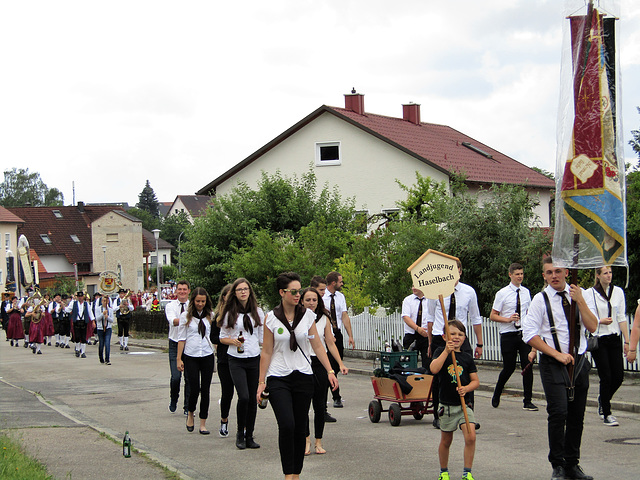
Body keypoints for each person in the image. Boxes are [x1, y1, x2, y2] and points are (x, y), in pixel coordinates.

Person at [257, 272, 339, 480]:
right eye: (293, 291)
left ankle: (296, 475)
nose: (297, 295)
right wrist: (261, 382)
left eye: (299, 291)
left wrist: (330, 370)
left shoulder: (308, 316)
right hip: (278, 377)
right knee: (287, 424)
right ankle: (287, 474)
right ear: (282, 292)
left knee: (300, 426)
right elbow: (266, 351)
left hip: (303, 375)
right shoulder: (271, 318)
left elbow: (317, 345)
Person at [522, 256, 597, 480]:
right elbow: (529, 334)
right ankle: (558, 465)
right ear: (544, 276)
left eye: (557, 271)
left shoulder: (579, 294)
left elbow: (593, 326)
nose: (553, 276)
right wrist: (556, 354)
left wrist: (580, 301)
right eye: (548, 272)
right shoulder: (540, 299)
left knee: (577, 416)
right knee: (559, 413)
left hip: (580, 362)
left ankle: (572, 464)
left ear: (565, 272)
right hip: (553, 363)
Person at [426, 260, 483, 429]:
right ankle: (439, 414)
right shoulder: (435, 292)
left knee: (466, 376)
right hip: (440, 337)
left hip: (460, 338)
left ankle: (468, 415)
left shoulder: (468, 292)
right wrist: (430, 343)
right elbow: (430, 318)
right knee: (440, 378)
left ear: (460, 271)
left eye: (455, 269)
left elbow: (476, 317)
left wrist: (479, 343)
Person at [300, 287, 348, 456]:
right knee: (303, 406)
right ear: (301, 302)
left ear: (318, 302)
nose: (311, 303)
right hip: (302, 364)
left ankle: (318, 442)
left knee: (319, 405)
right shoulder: (297, 318)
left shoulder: (324, 319)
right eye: (308, 300)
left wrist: (339, 365)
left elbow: (330, 343)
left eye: (314, 300)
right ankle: (305, 440)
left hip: (320, 363)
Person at [430, 319, 479, 480]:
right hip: (447, 405)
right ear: (444, 336)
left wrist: (466, 388)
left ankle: (467, 472)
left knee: (471, 436)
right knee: (446, 439)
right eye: (452, 334)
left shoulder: (467, 358)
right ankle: (444, 471)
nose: (456, 337)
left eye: (460, 334)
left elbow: (475, 381)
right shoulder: (440, 352)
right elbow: (433, 369)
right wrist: (446, 351)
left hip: (464, 404)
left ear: (465, 338)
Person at [220, 277, 264, 450]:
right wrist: (233, 341)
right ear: (235, 293)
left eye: (246, 289)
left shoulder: (258, 312)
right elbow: (222, 336)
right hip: (236, 359)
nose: (243, 292)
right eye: (239, 290)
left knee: (253, 399)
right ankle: (239, 433)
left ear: (250, 292)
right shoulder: (229, 312)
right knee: (243, 396)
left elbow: (261, 336)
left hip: (253, 357)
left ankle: (249, 435)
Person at [489, 262, 538, 411]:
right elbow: (493, 315)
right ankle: (497, 392)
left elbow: (529, 312)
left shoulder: (526, 292)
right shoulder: (502, 293)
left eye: (522, 274)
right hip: (508, 334)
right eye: (517, 274)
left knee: (527, 365)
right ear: (510, 275)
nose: (520, 277)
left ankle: (527, 400)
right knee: (509, 367)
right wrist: (508, 319)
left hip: (523, 333)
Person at [588, 266, 629, 427]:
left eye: (610, 272)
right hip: (599, 339)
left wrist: (627, 341)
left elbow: (621, 317)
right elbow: (588, 316)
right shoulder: (590, 293)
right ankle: (607, 412)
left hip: (614, 338)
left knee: (618, 376)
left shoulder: (618, 292)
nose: (609, 275)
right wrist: (600, 321)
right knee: (606, 376)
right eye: (605, 273)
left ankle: (602, 399)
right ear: (598, 276)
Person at [177, 287, 215, 435]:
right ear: (193, 300)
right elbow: (181, 338)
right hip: (191, 355)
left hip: (206, 355)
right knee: (194, 388)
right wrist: (179, 358)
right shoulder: (186, 316)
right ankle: (190, 413)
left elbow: (213, 336)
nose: (200, 304)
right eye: (198, 301)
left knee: (205, 389)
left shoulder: (210, 316)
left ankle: (203, 422)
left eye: (203, 301)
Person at [321, 271, 354, 409]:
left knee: (337, 365)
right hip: (324, 334)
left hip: (337, 333)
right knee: (330, 366)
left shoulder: (340, 297)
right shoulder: (321, 297)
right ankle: (336, 397)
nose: (342, 284)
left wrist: (350, 335)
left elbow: (344, 316)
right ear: (333, 283)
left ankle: (331, 384)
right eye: (340, 281)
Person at [210, 284, 235, 438]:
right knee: (227, 392)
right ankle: (224, 420)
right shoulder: (218, 315)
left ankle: (245, 426)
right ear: (224, 296)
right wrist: (227, 340)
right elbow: (213, 337)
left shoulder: (241, 314)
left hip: (241, 357)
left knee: (245, 394)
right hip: (225, 358)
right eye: (228, 294)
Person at [165, 280, 191, 415]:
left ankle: (187, 407)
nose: (182, 292)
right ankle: (173, 398)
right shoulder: (170, 306)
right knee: (176, 377)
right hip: (175, 343)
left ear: (188, 291)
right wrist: (190, 320)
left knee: (189, 377)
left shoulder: (192, 306)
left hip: (189, 344)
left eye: (184, 289)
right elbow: (173, 321)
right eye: (180, 289)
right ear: (176, 291)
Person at [401, 286, 429, 369]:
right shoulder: (408, 300)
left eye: (415, 286)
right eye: (412, 286)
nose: (413, 288)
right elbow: (406, 317)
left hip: (426, 335)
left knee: (427, 362)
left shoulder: (431, 300)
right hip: (411, 335)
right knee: (409, 363)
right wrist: (417, 328)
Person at [65, 291, 96, 358]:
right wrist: (62, 306)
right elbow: (67, 310)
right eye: (79, 297)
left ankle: (83, 352)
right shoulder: (73, 303)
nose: (80, 298)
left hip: (84, 322)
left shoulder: (86, 304)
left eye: (81, 296)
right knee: (77, 337)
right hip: (76, 322)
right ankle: (78, 350)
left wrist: (93, 321)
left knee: (83, 337)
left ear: (83, 297)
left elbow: (90, 312)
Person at [95, 295, 114, 365]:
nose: (104, 302)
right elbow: (97, 319)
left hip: (108, 328)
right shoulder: (98, 309)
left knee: (107, 343)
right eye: (103, 301)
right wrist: (102, 314)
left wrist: (107, 317)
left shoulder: (110, 310)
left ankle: (107, 359)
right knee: (101, 344)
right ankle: (101, 357)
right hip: (100, 328)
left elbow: (112, 320)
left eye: (105, 301)